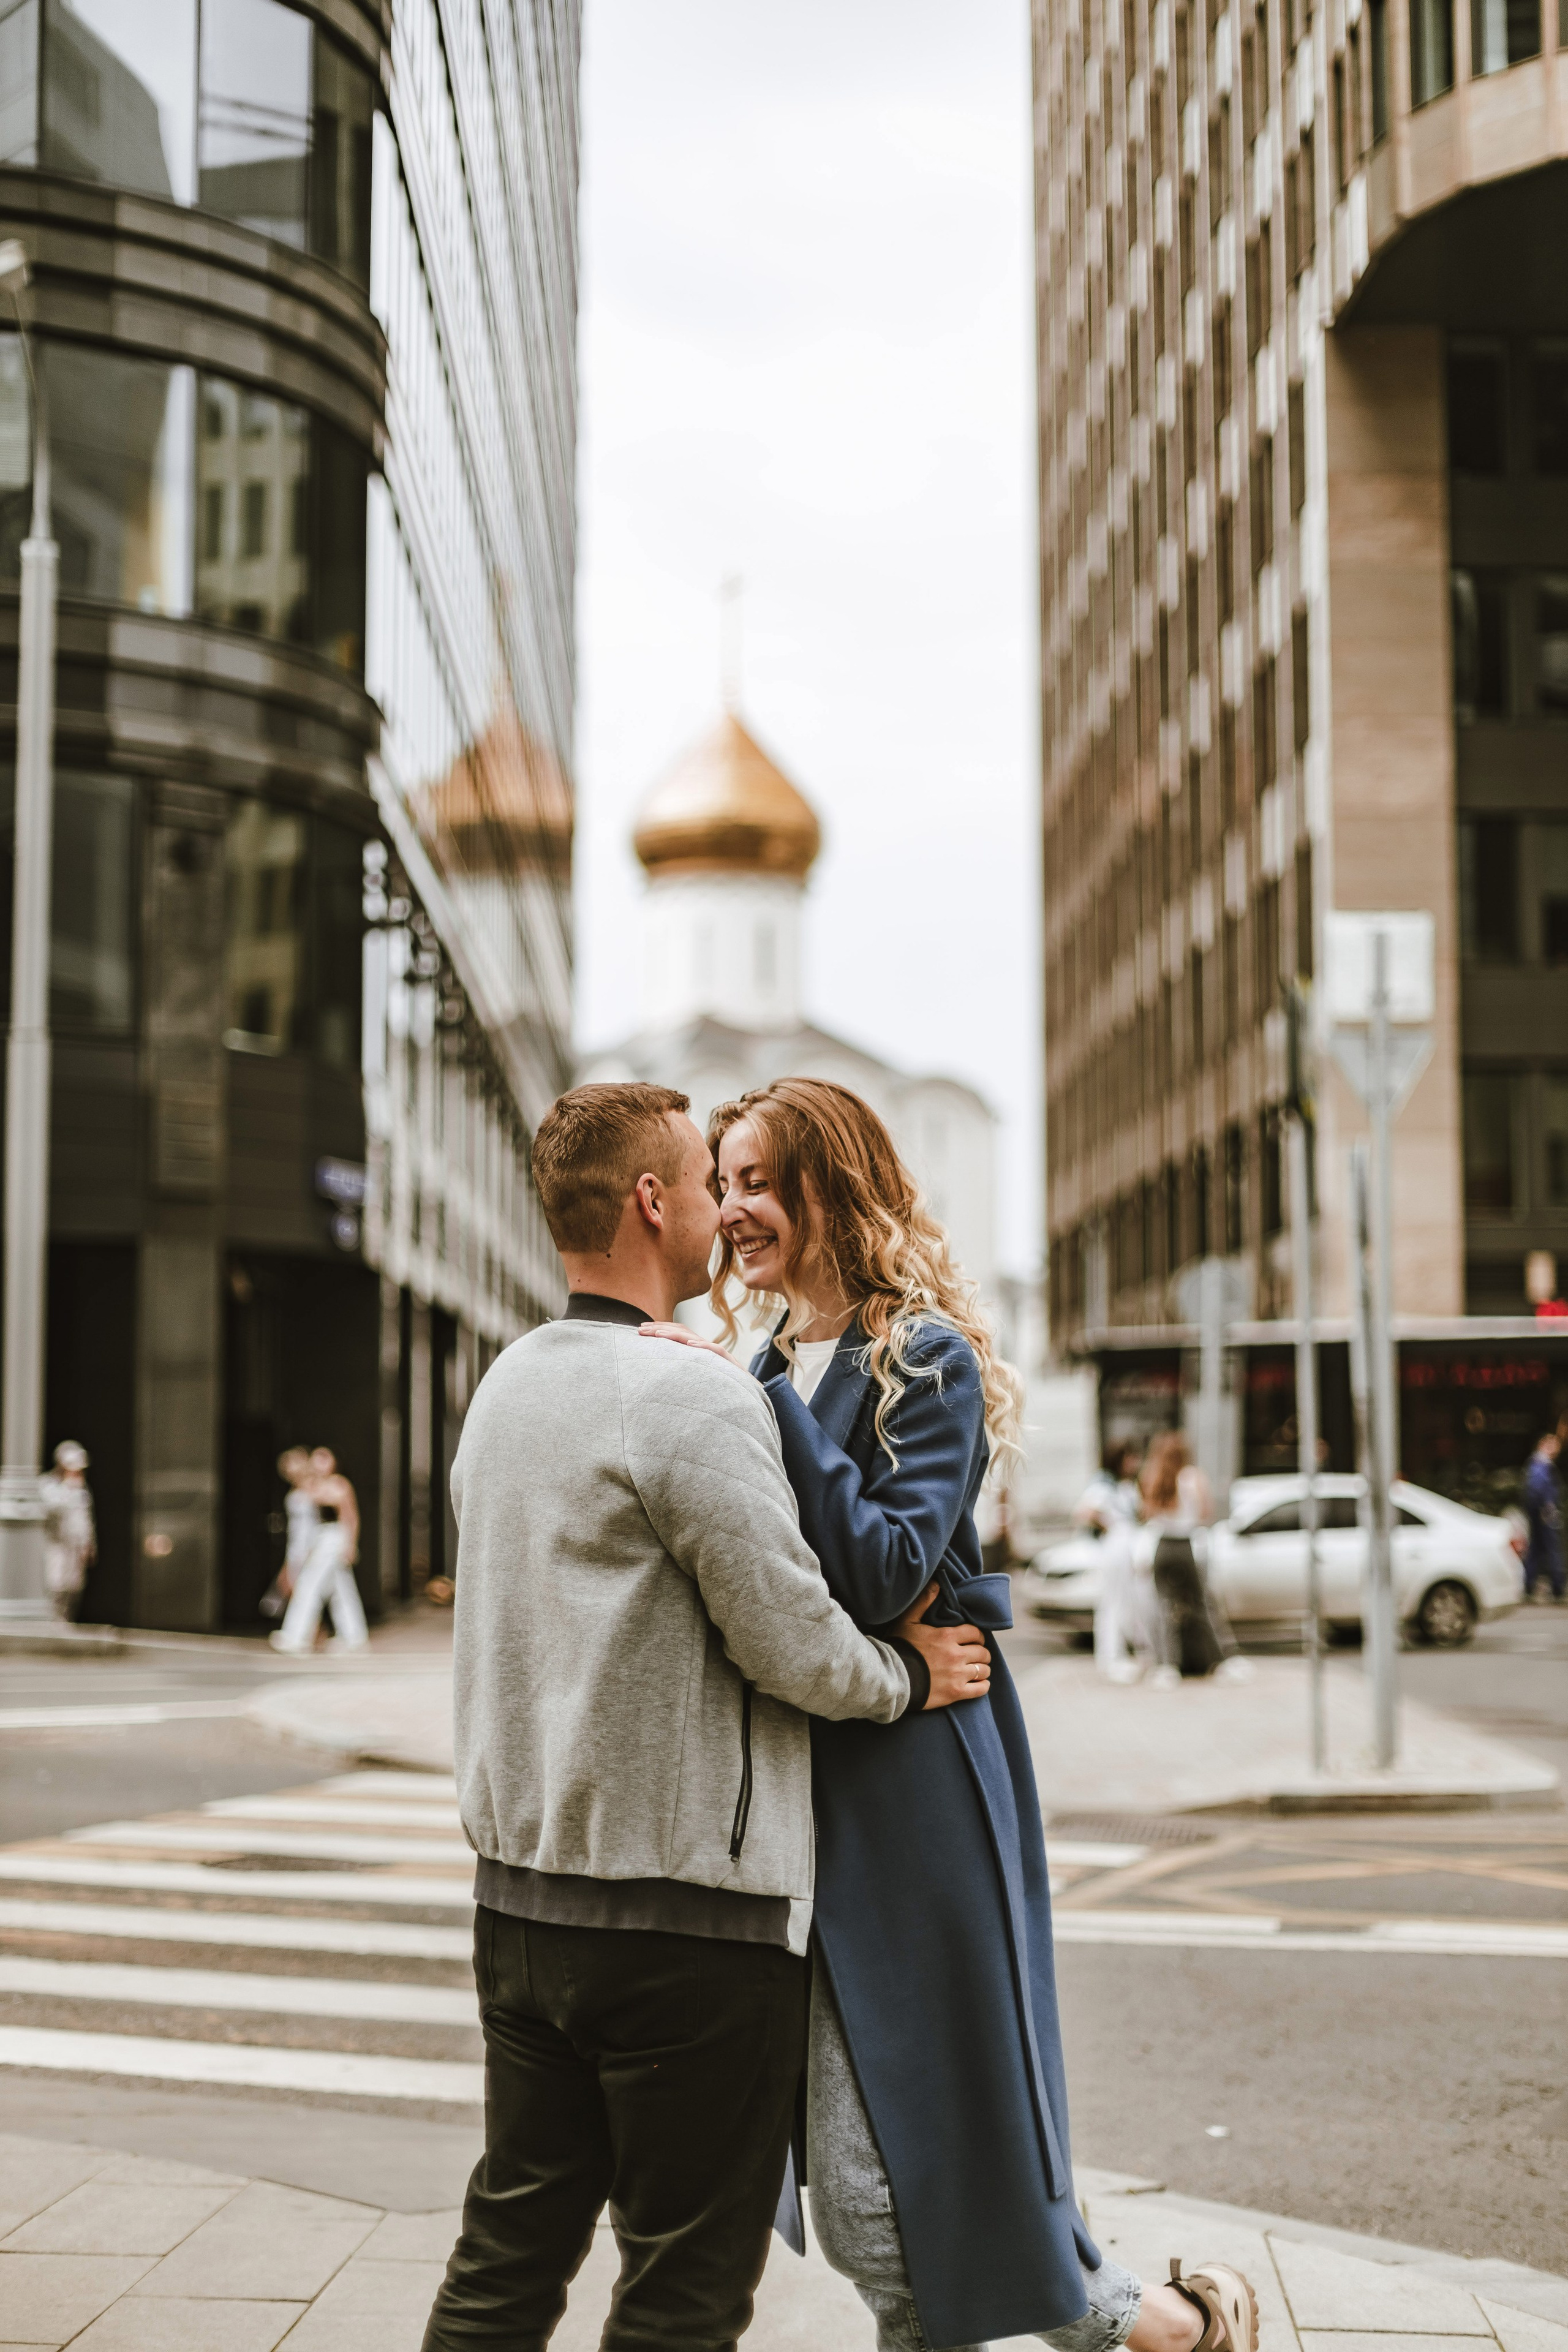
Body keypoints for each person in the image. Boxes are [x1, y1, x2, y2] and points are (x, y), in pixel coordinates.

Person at [640, 1077, 1258, 2352]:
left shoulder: (917, 1357)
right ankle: (1172, 2332)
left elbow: (881, 1570)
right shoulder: (760, 1360)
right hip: (801, 1785)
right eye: (727, 1180)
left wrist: (751, 1408)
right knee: (898, 2176)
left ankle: (1173, 2332)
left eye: (761, 1181)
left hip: (913, 1782)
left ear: (832, 1187)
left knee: (912, 2174)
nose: (735, 1210)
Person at [421, 1082, 988, 2352]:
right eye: (706, 1178)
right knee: (680, 2288)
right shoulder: (691, 1396)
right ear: (650, 1201)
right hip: (686, 1921)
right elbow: (793, 1643)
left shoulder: (507, 1386)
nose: (724, 1208)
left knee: (507, 2253)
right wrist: (907, 1678)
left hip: (518, 1903)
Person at [1139, 1431, 1246, 1688]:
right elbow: (1206, 1514)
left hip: (1163, 1546)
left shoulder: (1152, 1476)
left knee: (1165, 1606)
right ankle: (1218, 1661)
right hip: (1187, 1545)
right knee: (1201, 1604)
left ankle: (1167, 1666)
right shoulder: (1194, 1477)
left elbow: (1145, 1513)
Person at [269, 1447, 367, 1654]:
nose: (319, 1464)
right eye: (316, 1459)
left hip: (334, 1538)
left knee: (309, 1586)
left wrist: (350, 1545)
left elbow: (351, 1516)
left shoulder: (339, 1485)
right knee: (341, 1590)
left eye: (324, 1459)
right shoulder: (314, 1485)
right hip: (321, 1539)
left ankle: (296, 1636)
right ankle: (354, 1637)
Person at [1075, 1443, 1145, 1682]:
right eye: (1131, 1457)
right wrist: (1110, 1526)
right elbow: (1085, 1513)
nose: (1135, 1463)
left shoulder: (1126, 1485)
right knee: (1113, 1603)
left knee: (1127, 1602)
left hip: (1127, 1548)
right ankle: (1112, 1658)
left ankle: (1123, 1654)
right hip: (1116, 1548)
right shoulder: (1104, 1483)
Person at [260, 1448, 317, 1625]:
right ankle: (312, 1631)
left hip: (310, 1543)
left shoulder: (313, 1486)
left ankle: (308, 1631)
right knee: (293, 1587)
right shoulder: (294, 1488)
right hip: (296, 1544)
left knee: (302, 1589)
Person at [40, 1441, 95, 1622]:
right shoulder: (47, 1484)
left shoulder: (82, 1488)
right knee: (55, 1583)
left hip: (74, 1546)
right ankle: (52, 1622)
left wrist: (89, 1544)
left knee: (73, 1586)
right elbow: (51, 1509)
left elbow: (86, 1517)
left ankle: (66, 1621)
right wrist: (68, 1489)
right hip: (54, 1544)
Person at [1521, 1430, 1564, 1603]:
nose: (1556, 1449)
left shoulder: (1536, 1464)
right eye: (1553, 1444)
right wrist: (1547, 1508)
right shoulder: (1541, 1464)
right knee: (1552, 1549)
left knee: (1536, 1549)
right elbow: (1538, 1489)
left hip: (1540, 1513)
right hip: (1546, 1514)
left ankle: (1529, 1585)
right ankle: (1557, 1587)